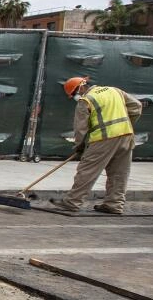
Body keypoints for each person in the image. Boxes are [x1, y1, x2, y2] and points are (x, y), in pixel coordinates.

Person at [49, 76, 143, 215]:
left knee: (87, 170)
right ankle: (114, 204)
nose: (75, 97)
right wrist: (125, 124)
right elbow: (136, 107)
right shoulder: (114, 91)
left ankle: (72, 202)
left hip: (103, 139)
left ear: (81, 87)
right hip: (126, 135)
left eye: (74, 94)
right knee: (119, 172)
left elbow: (81, 129)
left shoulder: (85, 100)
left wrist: (80, 147)